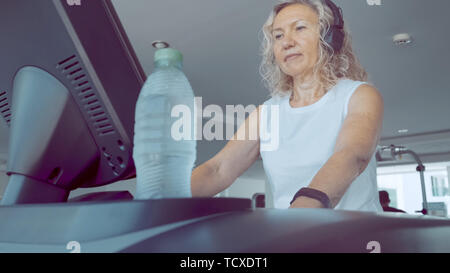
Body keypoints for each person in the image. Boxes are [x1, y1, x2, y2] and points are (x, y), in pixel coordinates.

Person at [191, 0, 384, 212]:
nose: (286, 42)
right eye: (278, 35)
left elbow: (352, 155)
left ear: (329, 37)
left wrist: (303, 209)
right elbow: (218, 169)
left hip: (355, 239)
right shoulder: (267, 113)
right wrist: (159, 196)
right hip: (293, 238)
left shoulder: (359, 95)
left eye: (300, 28)